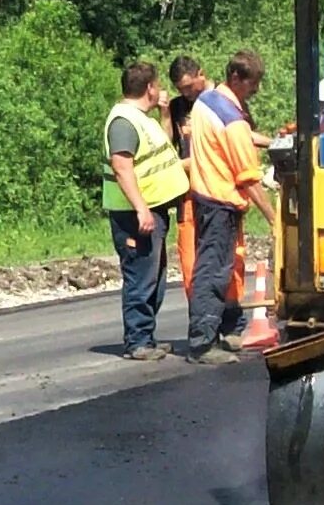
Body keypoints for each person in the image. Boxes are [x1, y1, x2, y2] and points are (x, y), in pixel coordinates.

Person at [183, 50, 282, 356]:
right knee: (213, 272)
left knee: (214, 270)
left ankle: (219, 330)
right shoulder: (232, 120)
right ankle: (202, 343)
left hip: (204, 197)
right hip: (221, 202)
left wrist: (270, 140)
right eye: (253, 83)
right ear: (236, 78)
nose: (255, 90)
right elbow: (249, 178)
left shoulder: (206, 102)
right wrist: (272, 217)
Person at [103, 61, 189, 359]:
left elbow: (162, 147)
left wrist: (165, 114)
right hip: (134, 214)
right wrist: (141, 209)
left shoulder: (143, 118)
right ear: (150, 88)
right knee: (140, 277)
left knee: (155, 277)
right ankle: (138, 341)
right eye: (158, 84)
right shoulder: (124, 122)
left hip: (153, 210)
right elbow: (122, 168)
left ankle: (146, 337)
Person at [166, 56, 209, 300]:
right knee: (189, 257)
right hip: (188, 192)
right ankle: (198, 310)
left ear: (200, 74)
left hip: (217, 189)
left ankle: (231, 315)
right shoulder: (177, 107)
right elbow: (167, 145)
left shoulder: (220, 101)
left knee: (222, 254)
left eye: (189, 86)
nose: (186, 93)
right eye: (181, 89)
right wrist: (164, 113)